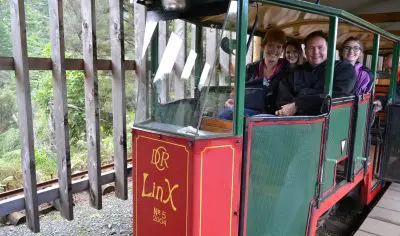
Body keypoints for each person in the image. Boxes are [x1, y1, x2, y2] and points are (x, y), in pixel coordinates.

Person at [275, 31, 356, 116]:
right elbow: (283, 101)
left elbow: (338, 97)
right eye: (311, 48)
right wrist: (317, 97)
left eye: (320, 47)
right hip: (296, 123)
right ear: (305, 51)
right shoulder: (294, 72)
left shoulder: (343, 69)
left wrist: (298, 104)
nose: (316, 52)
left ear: (328, 50)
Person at [219, 29, 290, 119]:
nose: (274, 50)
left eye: (279, 47)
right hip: (251, 111)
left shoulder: (288, 70)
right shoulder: (251, 68)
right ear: (263, 46)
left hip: (275, 115)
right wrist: (233, 100)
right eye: (270, 45)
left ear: (283, 50)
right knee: (225, 114)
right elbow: (240, 91)